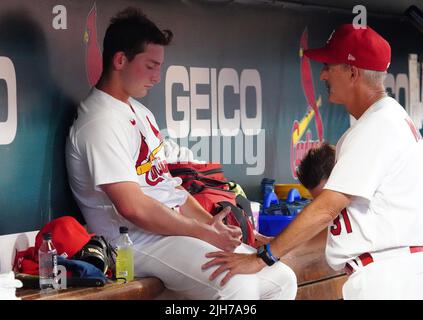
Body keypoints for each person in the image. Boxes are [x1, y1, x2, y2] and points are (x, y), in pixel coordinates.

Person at [65, 7, 297, 300]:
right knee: (236, 283)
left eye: (159, 67)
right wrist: (201, 232)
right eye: (150, 66)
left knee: (281, 278)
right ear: (120, 60)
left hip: (170, 233)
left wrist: (209, 225)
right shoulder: (99, 121)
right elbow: (132, 207)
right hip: (133, 241)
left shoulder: (139, 111)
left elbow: (169, 188)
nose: (157, 77)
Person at [202, 23, 423, 300]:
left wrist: (262, 258)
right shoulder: (386, 119)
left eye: (330, 65)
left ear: (353, 72)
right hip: (393, 273)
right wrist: (283, 245)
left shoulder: (378, 125)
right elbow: (347, 225)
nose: (323, 74)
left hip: (387, 280)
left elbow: (326, 209)